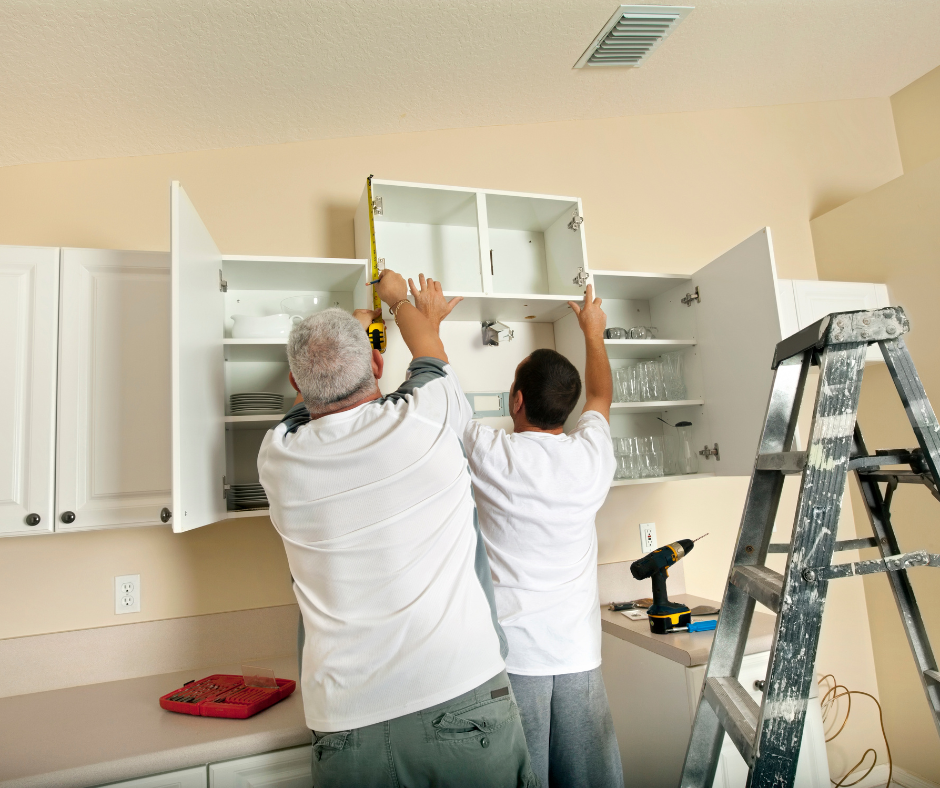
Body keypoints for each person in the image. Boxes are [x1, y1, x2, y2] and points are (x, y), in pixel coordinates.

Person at [258, 269, 537, 788]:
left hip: (346, 724)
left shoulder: (277, 459)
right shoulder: (429, 418)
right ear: (378, 363)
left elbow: (304, 413)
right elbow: (428, 349)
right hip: (461, 695)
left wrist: (356, 329)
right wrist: (398, 300)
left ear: (296, 384)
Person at [450, 284, 624, 788]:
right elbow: (601, 394)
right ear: (567, 409)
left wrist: (427, 322)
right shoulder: (592, 455)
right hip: (579, 655)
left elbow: (444, 391)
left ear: (517, 399)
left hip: (513, 658)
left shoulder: (491, 452)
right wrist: (593, 331)